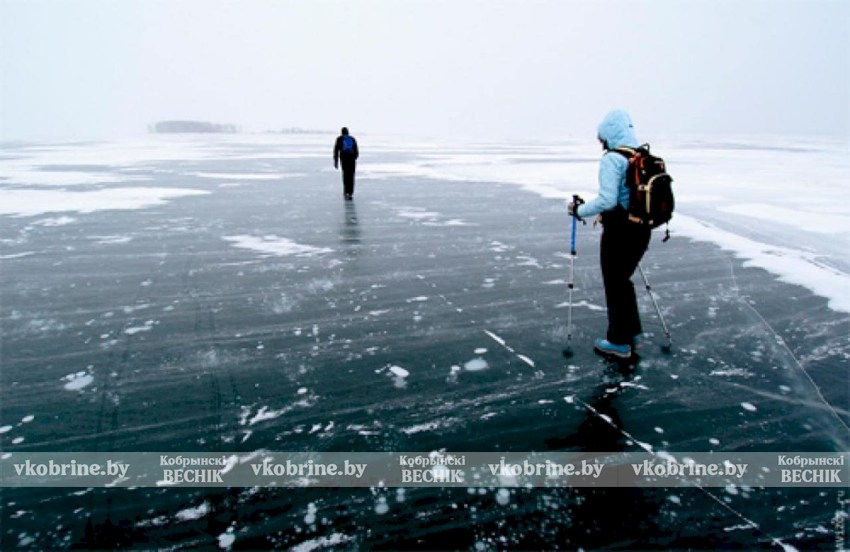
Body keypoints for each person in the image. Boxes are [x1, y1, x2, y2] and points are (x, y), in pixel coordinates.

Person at [569, 109, 651, 359]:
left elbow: (607, 199)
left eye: (601, 137)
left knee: (615, 285)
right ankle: (633, 334)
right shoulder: (640, 156)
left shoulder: (613, 159)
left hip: (620, 232)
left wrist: (578, 210)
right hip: (641, 230)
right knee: (623, 282)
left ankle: (619, 342)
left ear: (608, 135)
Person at [333, 127, 359, 200]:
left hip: (344, 159)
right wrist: (354, 158)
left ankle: (346, 191)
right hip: (352, 160)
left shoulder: (339, 139)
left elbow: (336, 150)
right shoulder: (352, 139)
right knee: (351, 175)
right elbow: (356, 150)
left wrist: (336, 161)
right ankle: (350, 192)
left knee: (345, 175)